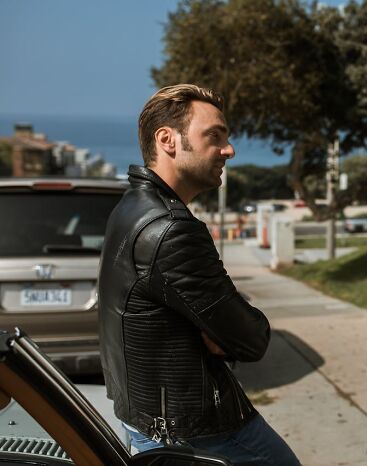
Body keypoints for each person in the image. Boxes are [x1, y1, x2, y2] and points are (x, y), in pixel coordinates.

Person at [98, 84, 300, 465]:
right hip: (197, 434)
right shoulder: (172, 229)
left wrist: (217, 325)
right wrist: (227, 326)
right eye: (214, 136)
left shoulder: (131, 206)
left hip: (149, 421)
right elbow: (251, 338)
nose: (229, 150)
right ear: (168, 140)